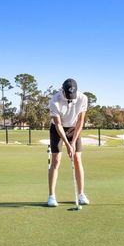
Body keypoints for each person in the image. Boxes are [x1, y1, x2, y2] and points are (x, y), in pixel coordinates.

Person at [47, 78, 89, 207]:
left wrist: (73, 142)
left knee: (77, 158)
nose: (71, 99)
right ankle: (52, 196)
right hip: (57, 129)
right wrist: (67, 143)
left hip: (74, 128)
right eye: (68, 96)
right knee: (56, 160)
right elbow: (58, 124)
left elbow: (80, 122)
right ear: (62, 91)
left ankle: (81, 194)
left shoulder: (83, 98)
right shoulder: (54, 101)